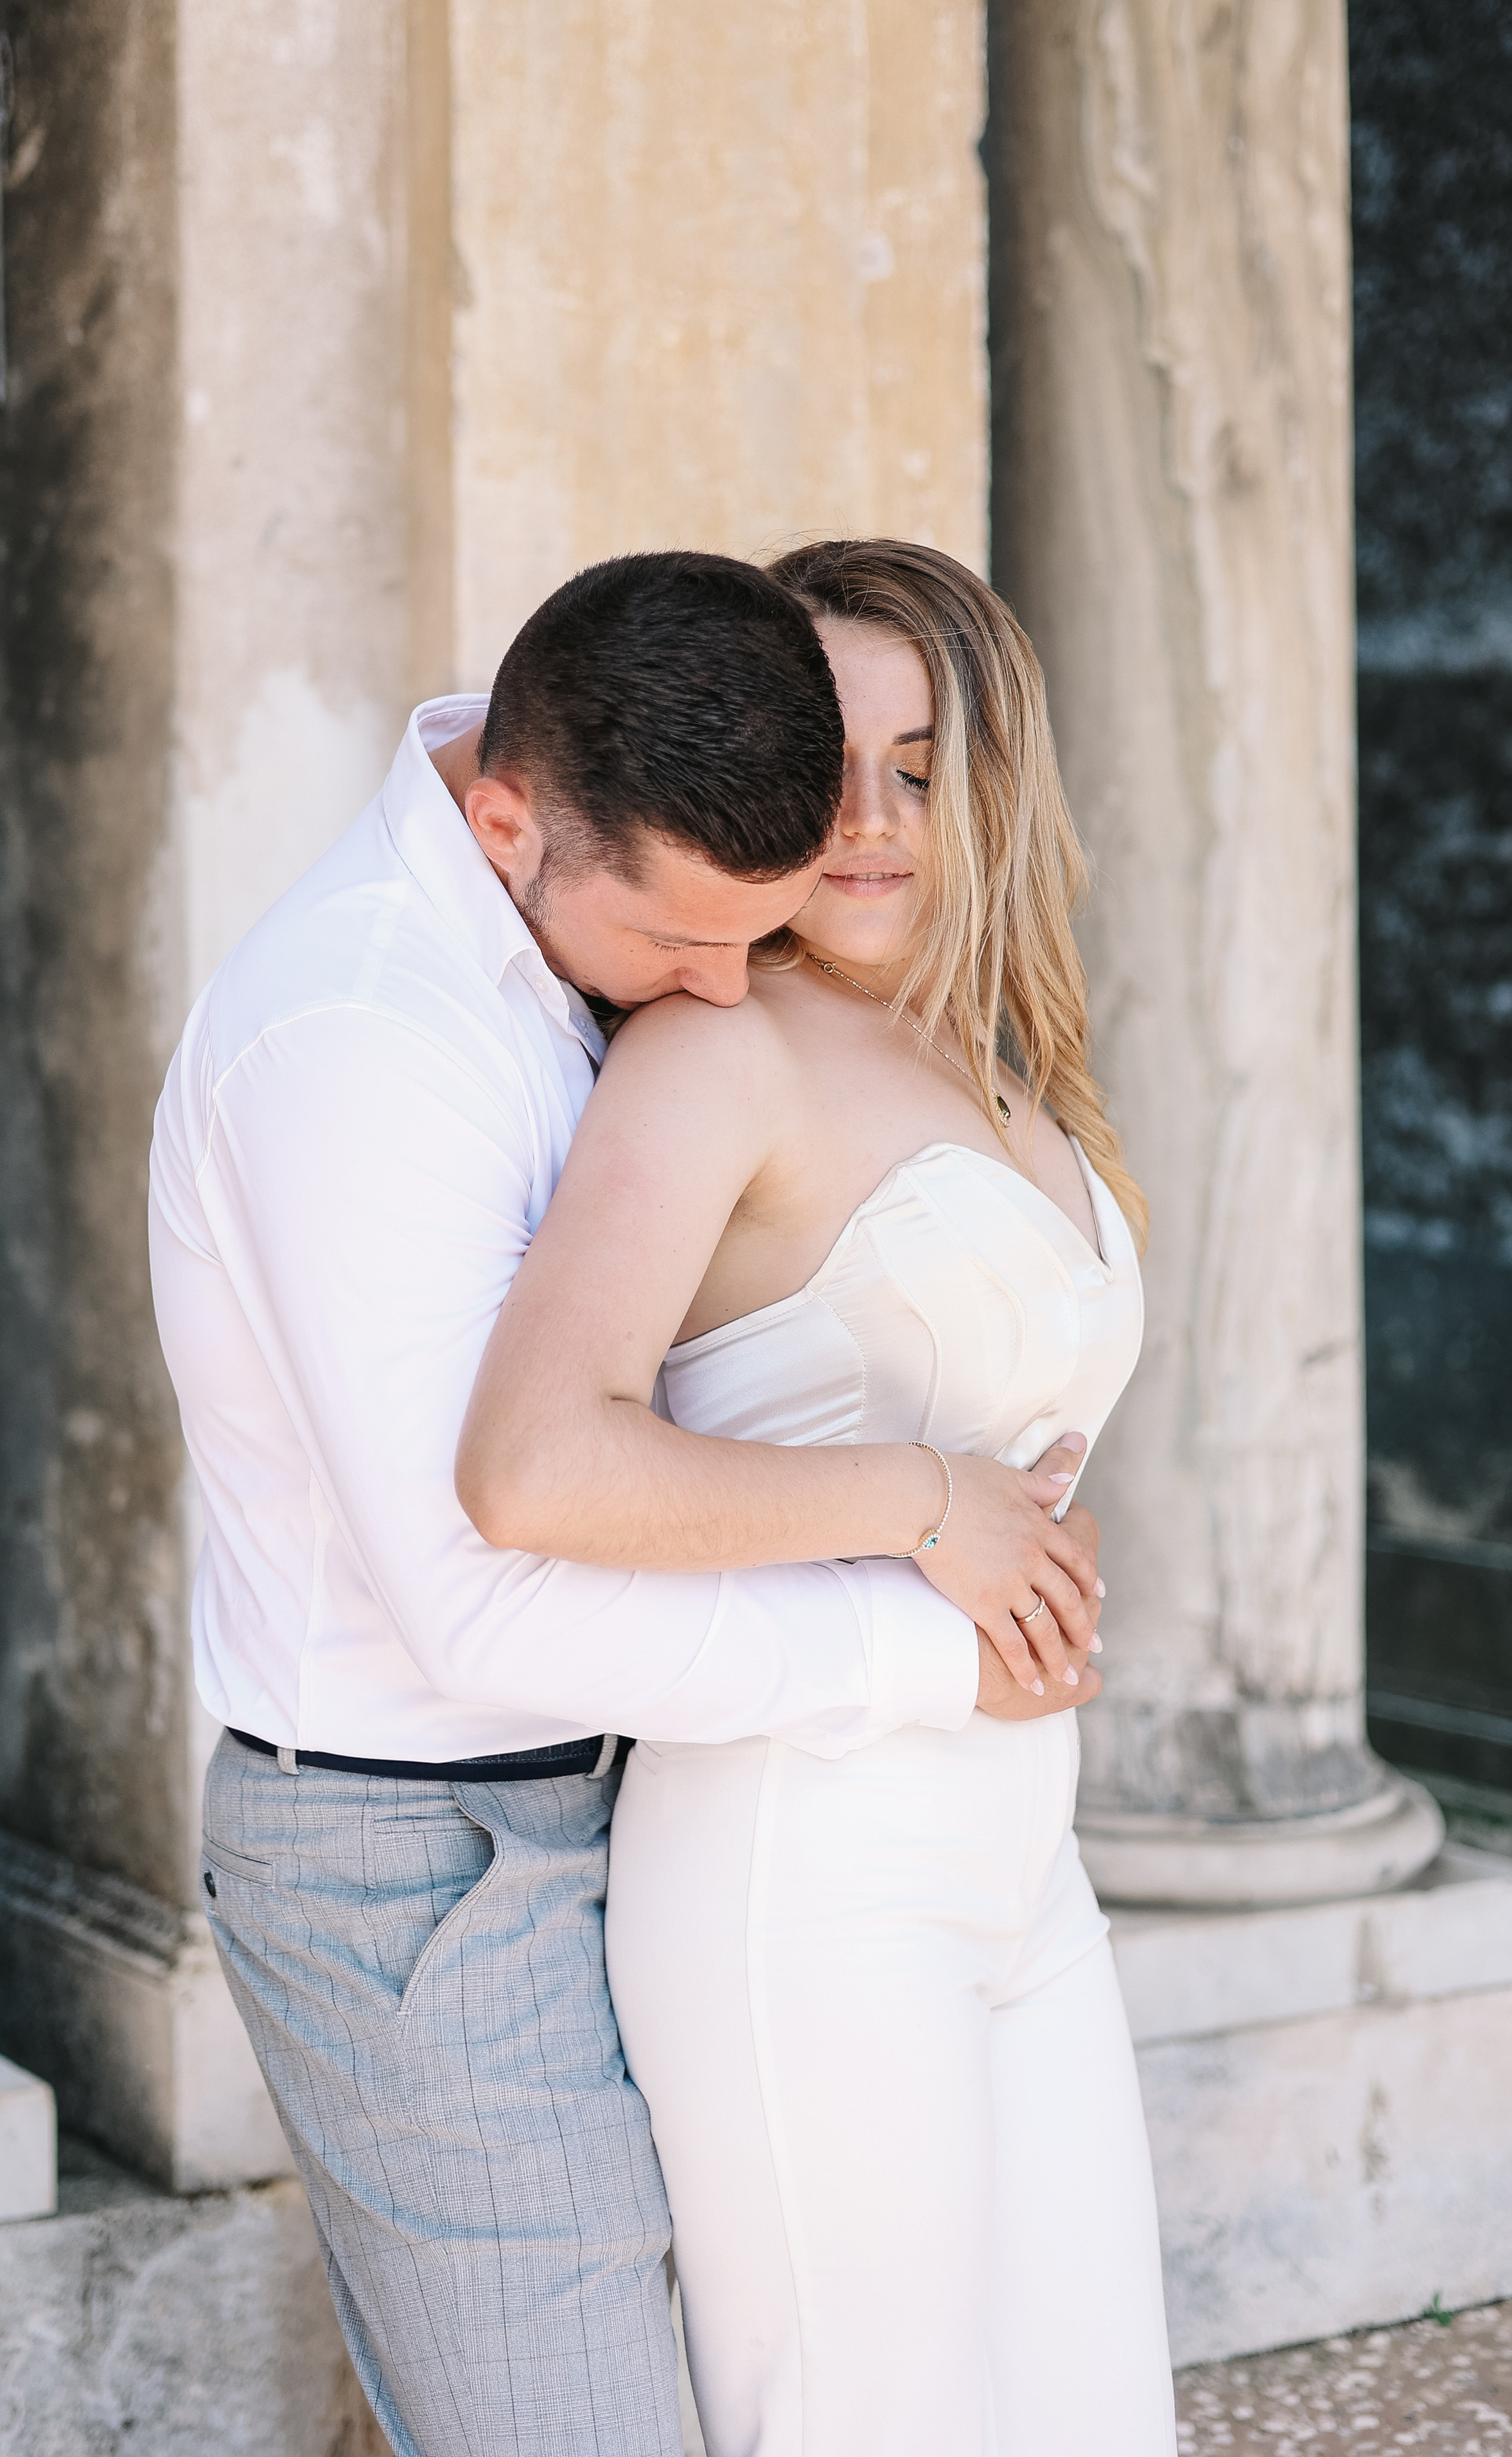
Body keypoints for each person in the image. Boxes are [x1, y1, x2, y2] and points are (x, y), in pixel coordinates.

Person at [148, 550, 1107, 2457]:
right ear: (506, 826)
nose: (721, 987)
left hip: (624, 1794)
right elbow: (485, 1592)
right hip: (418, 1851)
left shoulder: (593, 877)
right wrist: (935, 1600)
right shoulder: (358, 1043)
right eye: (681, 944)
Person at [459, 538, 1177, 2456]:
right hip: (806, 1861)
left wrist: (1020, 1527)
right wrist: (931, 1501)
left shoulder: (1005, 1062)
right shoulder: (720, 1051)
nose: (865, 822)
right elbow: (534, 1458)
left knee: (1096, 2414)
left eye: (920, 771)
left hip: (1023, 1850)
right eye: (826, 767)